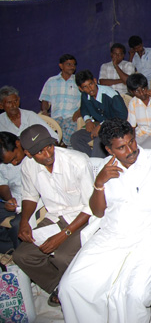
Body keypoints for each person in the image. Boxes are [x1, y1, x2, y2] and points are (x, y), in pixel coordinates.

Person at [59, 119, 151, 322]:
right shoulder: (105, 170)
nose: (131, 150)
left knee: (132, 295)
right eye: (121, 147)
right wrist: (99, 184)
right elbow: (97, 212)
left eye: (131, 142)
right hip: (111, 236)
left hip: (146, 237)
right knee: (71, 286)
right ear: (109, 149)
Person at [14, 125, 93, 307]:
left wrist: (63, 235)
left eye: (49, 146)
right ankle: (59, 285)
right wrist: (25, 221)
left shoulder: (77, 161)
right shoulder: (28, 166)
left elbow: (91, 207)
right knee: (22, 256)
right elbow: (30, 196)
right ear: (28, 153)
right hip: (55, 217)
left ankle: (78, 289)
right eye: (39, 152)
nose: (47, 154)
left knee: (62, 257)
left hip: (82, 218)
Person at [70, 70, 128, 158]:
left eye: (91, 84)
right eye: (85, 87)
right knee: (75, 138)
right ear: (80, 89)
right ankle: (90, 162)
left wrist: (102, 126)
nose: (90, 89)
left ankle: (98, 165)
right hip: (98, 125)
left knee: (99, 140)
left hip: (115, 126)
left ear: (95, 81)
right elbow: (84, 109)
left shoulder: (110, 95)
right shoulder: (85, 95)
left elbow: (122, 116)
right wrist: (88, 120)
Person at [39, 54, 81, 146]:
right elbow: (45, 99)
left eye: (74, 65)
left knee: (70, 139)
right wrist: (45, 111)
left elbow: (86, 100)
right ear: (61, 66)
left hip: (72, 117)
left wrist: (79, 112)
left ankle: (65, 148)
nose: (72, 67)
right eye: (69, 64)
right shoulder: (51, 81)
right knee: (50, 137)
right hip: (55, 117)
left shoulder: (78, 81)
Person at [125, 73, 151, 149]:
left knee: (141, 151)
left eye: (143, 89)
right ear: (131, 92)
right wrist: (131, 141)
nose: (141, 93)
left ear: (147, 86)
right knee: (128, 148)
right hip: (141, 134)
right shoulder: (133, 102)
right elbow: (132, 126)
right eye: (137, 91)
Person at [0, 132, 26, 253]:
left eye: (14, 158)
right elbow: (3, 185)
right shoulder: (2, 162)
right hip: (15, 200)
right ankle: (10, 246)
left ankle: (20, 253)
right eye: (9, 162)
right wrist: (9, 199)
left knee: (17, 224)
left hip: (32, 202)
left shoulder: (33, 155)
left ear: (18, 144)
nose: (14, 163)